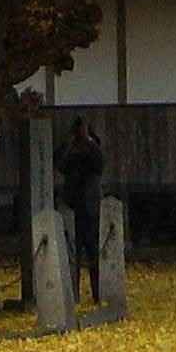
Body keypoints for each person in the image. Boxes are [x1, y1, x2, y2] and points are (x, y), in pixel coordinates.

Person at [57, 117, 107, 304]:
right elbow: (61, 165)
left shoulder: (93, 149)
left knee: (94, 252)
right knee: (73, 253)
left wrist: (88, 142)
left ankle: (97, 293)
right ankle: (73, 294)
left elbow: (99, 165)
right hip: (74, 205)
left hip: (90, 206)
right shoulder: (69, 150)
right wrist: (71, 145)